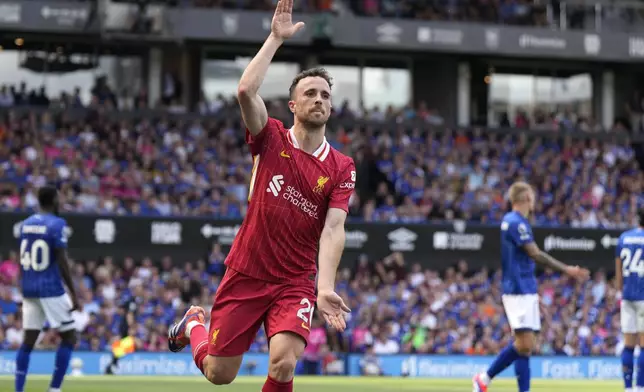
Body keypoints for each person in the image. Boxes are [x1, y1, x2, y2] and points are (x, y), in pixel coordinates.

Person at [167, 1, 355, 391]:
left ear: (331, 106)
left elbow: (334, 228)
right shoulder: (270, 138)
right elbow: (244, 90)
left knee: (284, 364)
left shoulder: (342, 166)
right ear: (293, 105)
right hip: (248, 270)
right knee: (221, 375)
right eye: (310, 94)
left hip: (295, 280)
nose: (319, 99)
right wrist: (274, 39)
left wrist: (324, 286)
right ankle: (194, 324)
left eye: (325, 95)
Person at [472, 182, 589, 392]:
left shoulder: (515, 221)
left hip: (524, 287)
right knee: (524, 344)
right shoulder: (516, 222)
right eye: (532, 196)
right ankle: (484, 377)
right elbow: (535, 253)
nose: (534, 201)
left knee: (526, 347)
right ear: (526, 196)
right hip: (518, 288)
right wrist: (567, 269)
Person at [15, 185, 79, 392]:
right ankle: (54, 389)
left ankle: (18, 389)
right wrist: (74, 294)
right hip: (50, 288)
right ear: (53, 200)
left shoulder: (26, 224)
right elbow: (62, 261)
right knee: (70, 336)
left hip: (29, 288)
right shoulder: (57, 224)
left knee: (28, 341)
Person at [615, 210, 644, 392]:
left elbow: (618, 270)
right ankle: (640, 386)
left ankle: (628, 388)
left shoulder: (624, 238)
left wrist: (620, 292)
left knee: (628, 344)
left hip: (627, 296)